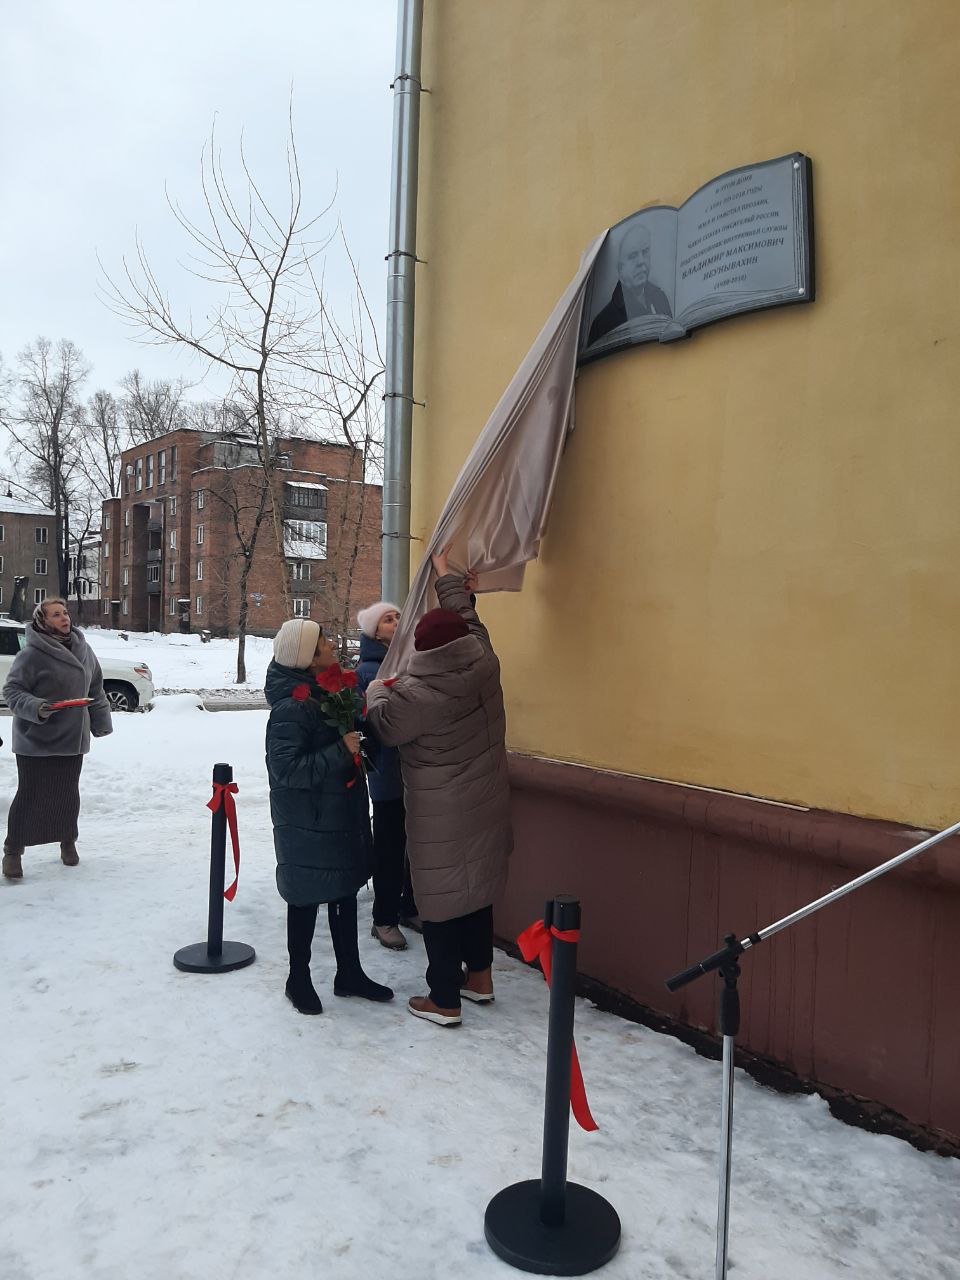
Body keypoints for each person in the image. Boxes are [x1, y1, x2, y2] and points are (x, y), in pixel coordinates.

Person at [365, 547, 513, 1027]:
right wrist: (447, 577)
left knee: (443, 901)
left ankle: (443, 997)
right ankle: (481, 979)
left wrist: (376, 688)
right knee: (476, 892)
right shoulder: (484, 660)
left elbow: (383, 728)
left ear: (423, 652)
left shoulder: (415, 694)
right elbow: (466, 618)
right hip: (486, 803)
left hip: (440, 814)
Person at [265, 617, 393, 1015]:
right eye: (323, 644)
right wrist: (342, 750)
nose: (332, 646)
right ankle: (297, 979)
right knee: (304, 898)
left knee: (343, 891)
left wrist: (364, 738)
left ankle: (349, 973)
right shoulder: (291, 707)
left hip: (339, 814)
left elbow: (350, 740)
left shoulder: (327, 694)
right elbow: (286, 770)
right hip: (307, 821)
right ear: (306, 659)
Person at [2, 597, 113, 880]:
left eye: (65, 613)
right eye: (56, 615)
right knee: (31, 794)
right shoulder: (31, 654)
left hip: (72, 738)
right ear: (43, 621)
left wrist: (100, 723)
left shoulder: (83, 649)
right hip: (36, 738)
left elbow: (96, 688)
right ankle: (13, 850)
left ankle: (67, 842)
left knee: (66, 793)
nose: (64, 618)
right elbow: (13, 692)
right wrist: (37, 707)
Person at [356, 601, 420, 951]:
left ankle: (409, 905)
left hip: (413, 769)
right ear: (373, 631)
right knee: (390, 847)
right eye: (387, 619)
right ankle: (384, 919)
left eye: (397, 617)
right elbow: (372, 721)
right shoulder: (368, 670)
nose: (395, 622)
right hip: (387, 774)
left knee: (414, 844)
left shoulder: (407, 660)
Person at [587, 223, 673, 345]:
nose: (641, 262)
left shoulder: (660, 297)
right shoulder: (603, 323)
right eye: (633, 256)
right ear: (620, 268)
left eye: (645, 252)